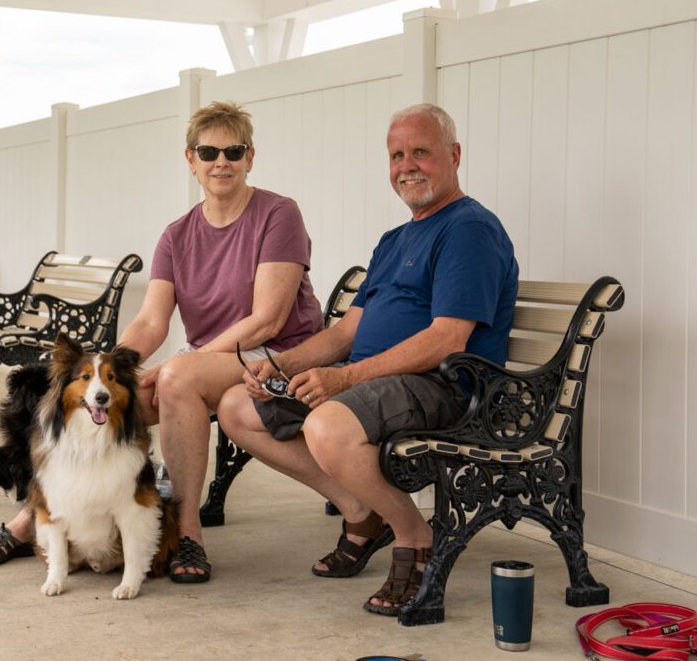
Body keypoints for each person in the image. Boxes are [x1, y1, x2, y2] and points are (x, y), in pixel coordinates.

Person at [0, 101, 323, 583]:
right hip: (207, 360)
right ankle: (34, 517)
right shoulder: (177, 235)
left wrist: (181, 364)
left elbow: (266, 320)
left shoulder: (278, 214)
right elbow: (152, 321)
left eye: (233, 152)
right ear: (190, 159)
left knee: (175, 379)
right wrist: (109, 371)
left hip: (278, 355)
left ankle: (188, 533)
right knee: (100, 402)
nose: (221, 162)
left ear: (250, 157)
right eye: (209, 152)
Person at [216, 103, 518, 615]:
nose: (407, 166)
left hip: (443, 385)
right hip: (379, 383)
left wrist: (346, 379)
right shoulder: (395, 239)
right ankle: (362, 509)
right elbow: (347, 331)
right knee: (237, 408)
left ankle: (415, 536)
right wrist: (283, 366)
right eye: (396, 155)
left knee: (328, 425)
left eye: (420, 152)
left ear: (454, 155)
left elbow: (447, 340)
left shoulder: (468, 229)